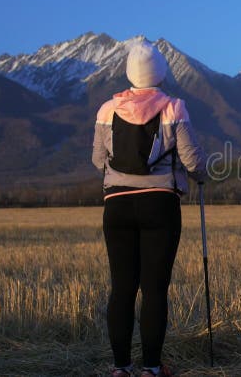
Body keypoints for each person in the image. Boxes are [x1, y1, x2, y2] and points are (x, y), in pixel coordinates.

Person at [92, 41, 206, 377]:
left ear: (129, 72)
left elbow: (98, 159)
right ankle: (152, 369)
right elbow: (193, 160)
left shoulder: (106, 110)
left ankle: (121, 368)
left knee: (122, 287)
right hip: (161, 207)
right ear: (160, 73)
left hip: (117, 207)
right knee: (155, 289)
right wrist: (199, 176)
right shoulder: (174, 108)